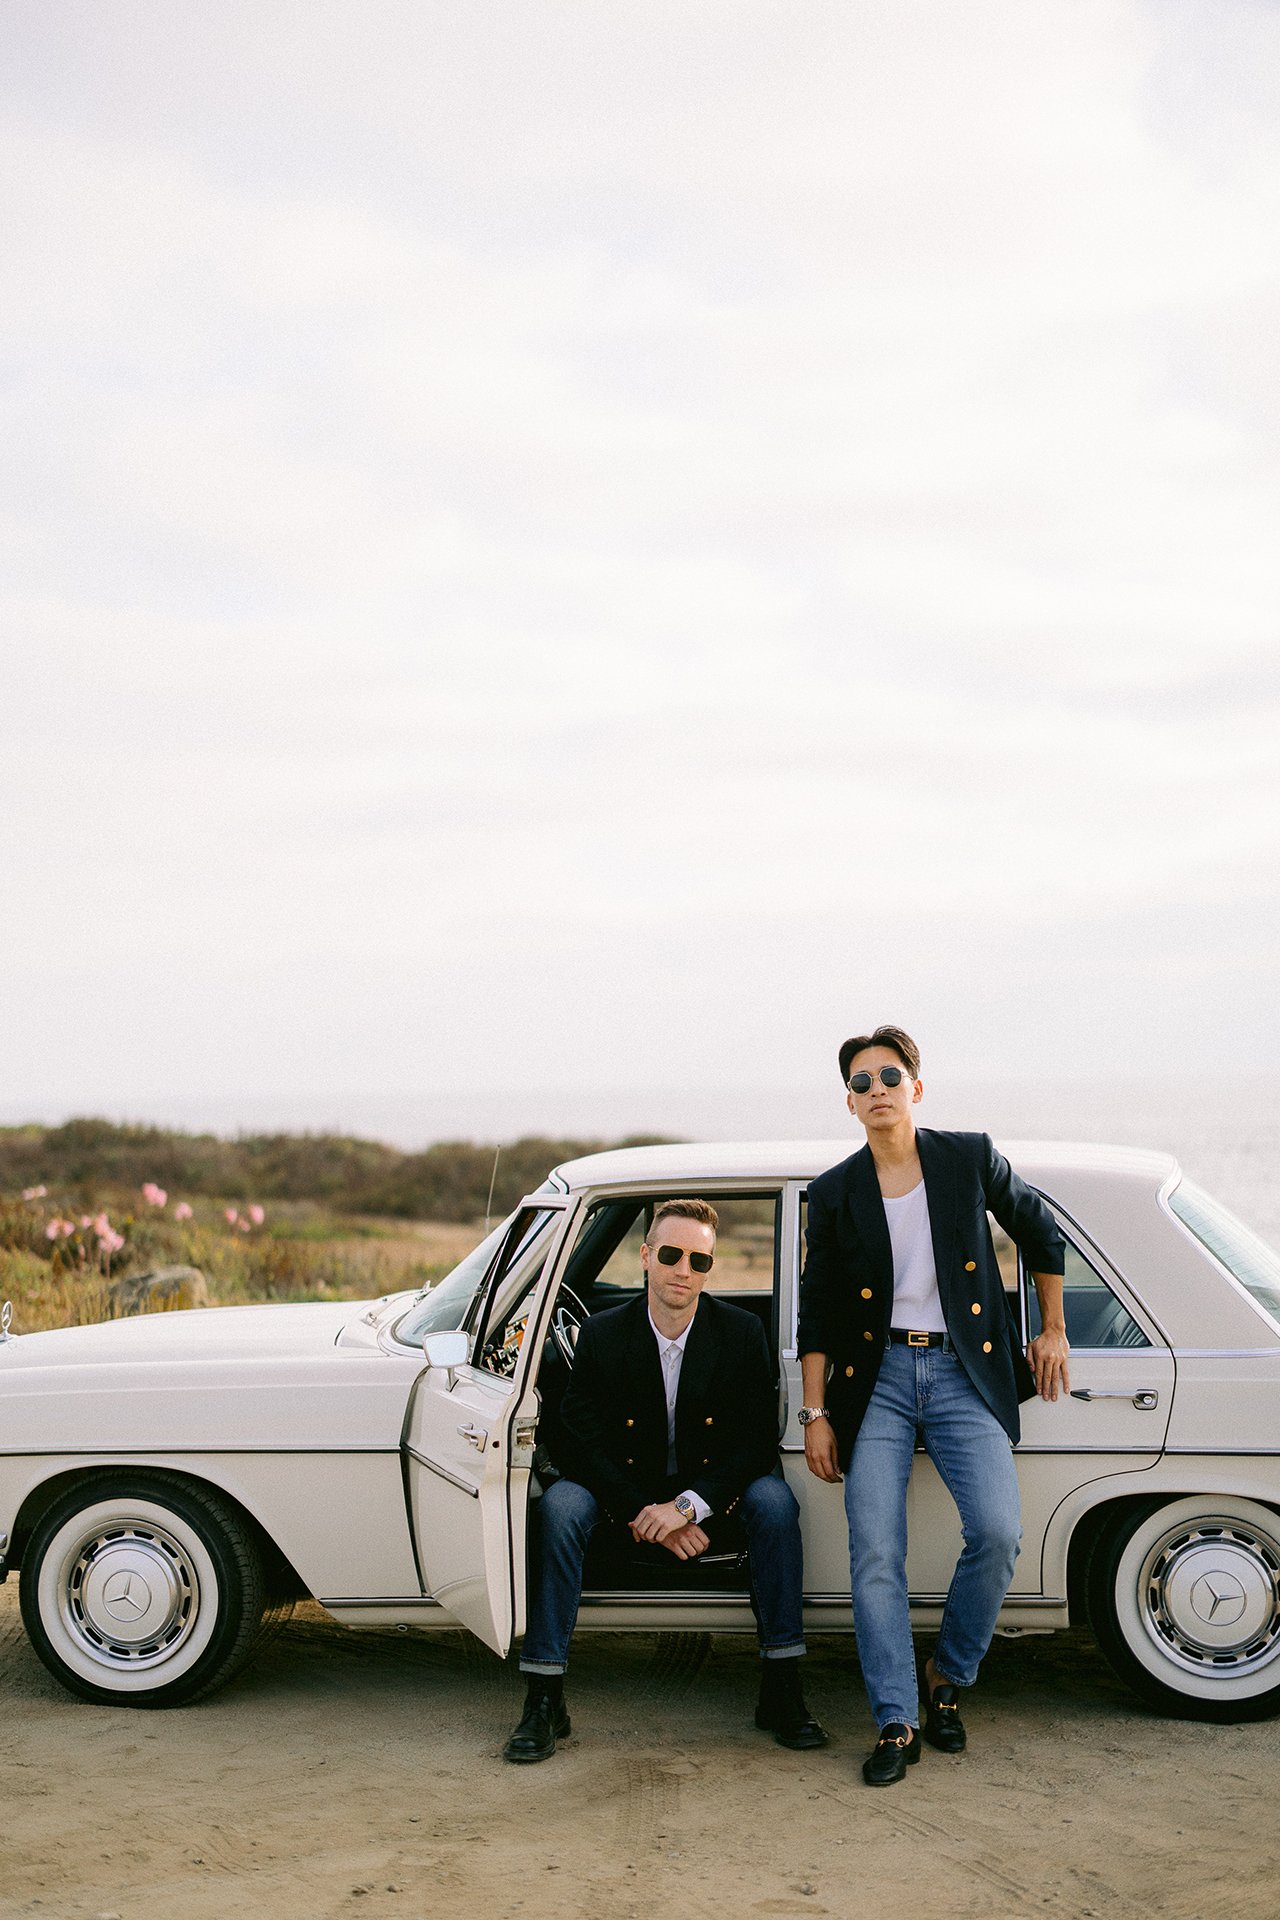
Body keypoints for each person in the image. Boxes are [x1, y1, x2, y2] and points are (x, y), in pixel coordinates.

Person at [796, 1025, 1069, 1786]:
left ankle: (947, 1675)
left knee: (998, 1530)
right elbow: (815, 1313)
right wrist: (815, 1414)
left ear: (916, 1087)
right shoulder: (834, 1191)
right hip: (875, 1377)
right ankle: (896, 1717)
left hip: (964, 1372)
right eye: (861, 1081)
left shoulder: (968, 1157)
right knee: (875, 1549)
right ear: (849, 1103)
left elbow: (1041, 1232)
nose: (876, 1089)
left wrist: (1052, 1329)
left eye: (889, 1075)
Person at [504, 1197, 828, 1762]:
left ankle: (782, 1689)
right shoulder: (604, 1334)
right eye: (673, 1255)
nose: (685, 1271)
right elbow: (580, 1442)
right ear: (646, 1256)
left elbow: (754, 1441)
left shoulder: (740, 1332)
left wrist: (687, 1508)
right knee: (559, 1508)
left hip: (709, 1497)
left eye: (699, 1261)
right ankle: (544, 1697)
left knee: (776, 1504)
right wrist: (647, 1513)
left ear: (709, 1268)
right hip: (624, 1495)